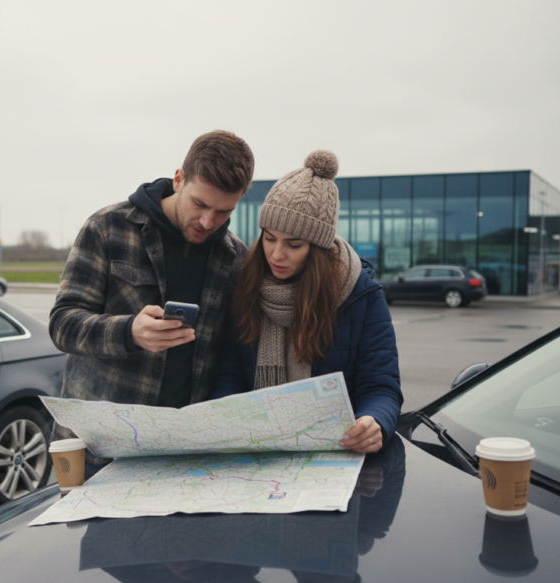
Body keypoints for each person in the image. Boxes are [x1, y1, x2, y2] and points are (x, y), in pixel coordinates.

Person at [49, 130, 254, 453]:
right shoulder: (106, 227)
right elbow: (62, 325)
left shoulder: (236, 259)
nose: (207, 220)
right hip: (99, 445)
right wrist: (129, 331)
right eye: (199, 203)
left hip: (183, 449)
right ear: (178, 179)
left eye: (224, 211)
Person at [211, 150, 402, 453]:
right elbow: (231, 374)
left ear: (318, 250)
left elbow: (382, 388)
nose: (276, 254)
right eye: (269, 238)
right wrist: (226, 416)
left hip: (336, 457)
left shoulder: (362, 296)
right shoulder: (245, 285)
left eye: (294, 244)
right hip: (256, 455)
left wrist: (375, 421)